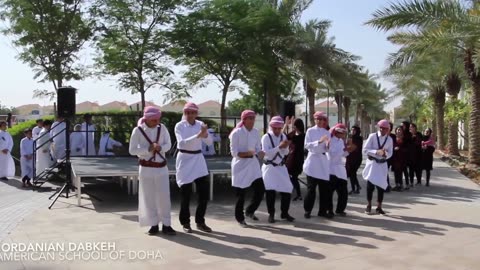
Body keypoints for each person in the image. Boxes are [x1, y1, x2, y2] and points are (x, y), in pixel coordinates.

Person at [129, 106, 176, 236]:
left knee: (164, 196)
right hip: (145, 168)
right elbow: (132, 150)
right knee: (148, 196)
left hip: (161, 168)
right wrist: (147, 149)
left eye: (157, 119)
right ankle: (153, 224)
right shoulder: (137, 131)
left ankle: (167, 224)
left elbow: (168, 144)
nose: (156, 122)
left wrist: (160, 148)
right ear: (147, 119)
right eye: (153, 120)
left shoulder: (163, 128)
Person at [175, 102, 213, 233]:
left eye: (192, 112)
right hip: (185, 160)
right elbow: (181, 143)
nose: (190, 115)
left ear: (196, 113)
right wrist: (198, 135)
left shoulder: (200, 125)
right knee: (185, 194)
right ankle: (185, 222)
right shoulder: (179, 126)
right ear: (184, 113)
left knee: (204, 194)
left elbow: (209, 142)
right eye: (187, 112)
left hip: (198, 160)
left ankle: (200, 221)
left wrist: (205, 134)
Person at [229, 110, 265, 227]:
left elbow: (258, 148)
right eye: (249, 118)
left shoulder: (255, 132)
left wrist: (262, 153)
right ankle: (240, 218)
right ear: (243, 120)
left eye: (253, 118)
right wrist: (247, 154)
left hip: (253, 165)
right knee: (241, 194)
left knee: (260, 190)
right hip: (240, 166)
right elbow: (234, 153)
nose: (252, 121)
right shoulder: (236, 133)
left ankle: (249, 211)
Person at [261, 116, 294, 223]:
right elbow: (266, 153)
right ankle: (271, 214)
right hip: (269, 167)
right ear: (271, 127)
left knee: (287, 189)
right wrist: (279, 147)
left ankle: (284, 213)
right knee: (270, 191)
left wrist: (285, 147)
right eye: (275, 128)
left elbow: (286, 153)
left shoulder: (283, 136)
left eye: (279, 128)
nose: (277, 130)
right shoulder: (266, 137)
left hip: (280, 166)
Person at [303, 111, 333, 219]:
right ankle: (307, 210)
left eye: (322, 119)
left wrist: (328, 145)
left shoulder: (327, 132)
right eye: (318, 119)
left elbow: (328, 148)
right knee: (311, 189)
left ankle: (322, 211)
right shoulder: (310, 131)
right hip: (313, 161)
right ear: (315, 120)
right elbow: (306, 145)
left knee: (324, 189)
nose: (320, 121)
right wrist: (319, 142)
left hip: (323, 161)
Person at [362, 119, 393, 215]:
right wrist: (376, 152)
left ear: (388, 129)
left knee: (381, 186)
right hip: (373, 164)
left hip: (382, 165)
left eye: (384, 128)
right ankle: (369, 205)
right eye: (381, 128)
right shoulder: (372, 136)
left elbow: (390, 152)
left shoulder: (389, 139)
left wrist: (385, 154)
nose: (382, 130)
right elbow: (365, 150)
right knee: (370, 186)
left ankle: (379, 207)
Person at [328, 123, 351, 216]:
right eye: (342, 132)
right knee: (329, 193)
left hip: (341, 169)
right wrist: (344, 151)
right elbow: (332, 154)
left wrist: (348, 151)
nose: (343, 134)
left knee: (343, 192)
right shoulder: (330, 140)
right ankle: (329, 210)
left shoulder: (341, 141)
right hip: (331, 169)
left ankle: (340, 209)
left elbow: (343, 154)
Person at [285, 117, 305, 201]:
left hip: (294, 159)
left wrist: (287, 125)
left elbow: (286, 137)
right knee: (293, 177)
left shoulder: (298, 137)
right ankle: (298, 194)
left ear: (296, 126)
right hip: (298, 159)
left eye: (294, 126)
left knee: (293, 177)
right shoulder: (303, 135)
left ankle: (297, 193)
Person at [346, 125, 363, 194]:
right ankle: (357, 187)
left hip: (356, 159)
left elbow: (352, 148)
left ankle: (354, 188)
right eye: (352, 130)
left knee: (352, 173)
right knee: (352, 174)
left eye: (354, 130)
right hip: (350, 158)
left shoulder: (358, 138)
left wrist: (346, 147)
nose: (352, 131)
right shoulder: (351, 137)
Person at [391, 126, 408, 191]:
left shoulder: (405, 139)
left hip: (402, 158)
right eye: (397, 129)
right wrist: (394, 148)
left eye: (400, 130)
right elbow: (390, 146)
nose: (398, 131)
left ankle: (401, 185)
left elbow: (407, 148)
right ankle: (397, 184)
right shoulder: (393, 138)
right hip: (395, 157)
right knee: (396, 171)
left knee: (400, 172)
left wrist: (400, 148)